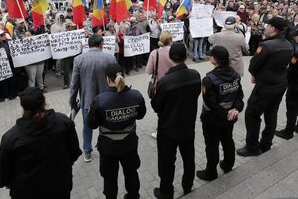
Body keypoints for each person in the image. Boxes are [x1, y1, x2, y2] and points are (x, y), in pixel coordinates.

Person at [0, 87, 82, 199]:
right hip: (60, 186)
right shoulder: (63, 122)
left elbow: (3, 176)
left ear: (23, 107)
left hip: (26, 192)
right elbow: (74, 153)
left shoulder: (11, 138)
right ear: (44, 102)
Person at [87, 64, 146, 199]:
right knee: (131, 173)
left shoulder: (99, 100)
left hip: (108, 148)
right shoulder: (136, 95)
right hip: (130, 145)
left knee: (109, 178)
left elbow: (92, 124)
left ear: (108, 79)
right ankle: (133, 196)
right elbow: (141, 115)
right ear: (123, 76)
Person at [151, 43, 201, 198]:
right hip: (187, 125)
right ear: (186, 56)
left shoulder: (165, 82)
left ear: (170, 57)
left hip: (168, 129)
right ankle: (188, 184)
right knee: (189, 157)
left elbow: (156, 106)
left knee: (167, 161)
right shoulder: (195, 75)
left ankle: (166, 191)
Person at [238, 17, 293, 156]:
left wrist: (254, 74)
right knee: (271, 113)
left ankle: (252, 147)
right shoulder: (288, 44)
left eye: (268, 26)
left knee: (252, 114)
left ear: (273, 28)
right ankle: (266, 144)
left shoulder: (267, 45)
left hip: (265, 86)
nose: (266, 28)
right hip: (280, 84)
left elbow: (253, 64)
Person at [197, 46, 244, 181]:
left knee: (212, 145)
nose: (209, 57)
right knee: (227, 140)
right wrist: (236, 110)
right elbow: (239, 96)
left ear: (216, 60)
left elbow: (211, 103)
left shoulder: (209, 79)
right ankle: (228, 165)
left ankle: (210, 172)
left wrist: (228, 113)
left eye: (211, 56)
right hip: (230, 117)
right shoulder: (235, 74)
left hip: (212, 119)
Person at [69, 34, 117, 162]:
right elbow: (117, 80)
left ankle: (87, 152)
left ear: (89, 45)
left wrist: (72, 101)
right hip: (107, 100)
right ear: (101, 44)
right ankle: (107, 147)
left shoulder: (79, 59)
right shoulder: (110, 58)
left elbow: (74, 84)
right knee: (106, 125)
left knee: (87, 126)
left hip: (87, 100)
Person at [0, 29, 18, 100]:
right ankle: (6, 96)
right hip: (1, 66)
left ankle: (14, 94)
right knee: (3, 81)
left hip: (10, 62)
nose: (4, 36)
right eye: (1, 35)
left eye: (4, 34)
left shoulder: (9, 41)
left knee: (12, 79)